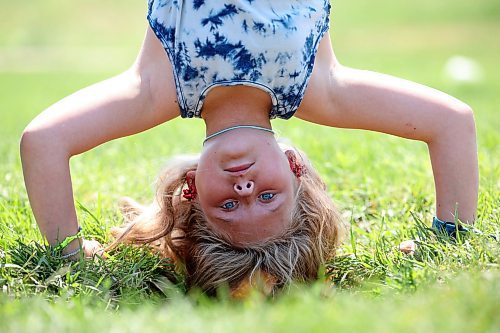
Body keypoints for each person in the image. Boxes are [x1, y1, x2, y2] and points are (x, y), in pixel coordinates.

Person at [19, 1, 478, 295]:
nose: (244, 186)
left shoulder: (157, 89)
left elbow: (42, 143)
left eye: (229, 205)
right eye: (266, 197)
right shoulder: (321, 89)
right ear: (295, 167)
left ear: (192, 188)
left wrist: (71, 257)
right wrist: (448, 236)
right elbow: (452, 123)